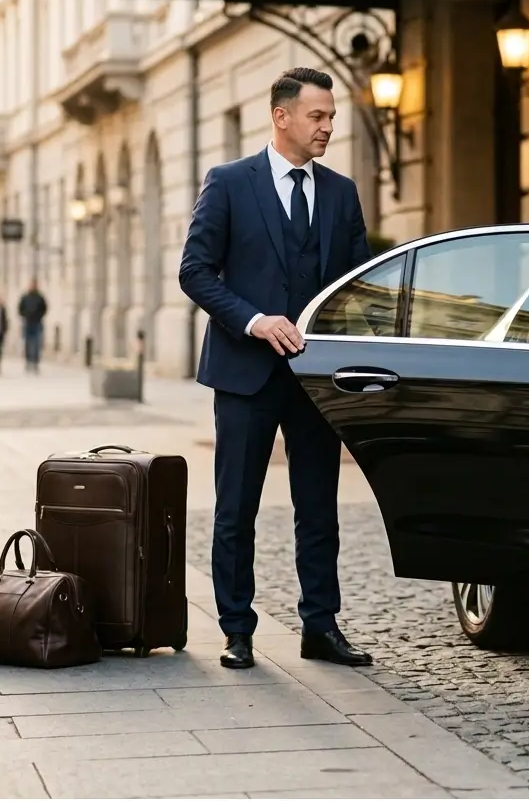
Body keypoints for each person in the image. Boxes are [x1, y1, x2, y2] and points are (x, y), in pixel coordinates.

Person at [179, 67, 373, 670]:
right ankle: (237, 630)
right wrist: (254, 319)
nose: (327, 128)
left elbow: (357, 288)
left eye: (332, 117)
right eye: (317, 116)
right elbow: (195, 271)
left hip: (315, 381)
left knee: (319, 509)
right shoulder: (230, 183)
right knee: (236, 508)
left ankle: (321, 626)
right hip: (245, 374)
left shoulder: (341, 192)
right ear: (281, 116)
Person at [17, 279, 48, 373]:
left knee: (37, 343)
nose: (33, 286)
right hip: (27, 322)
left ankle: (35, 362)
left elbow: (44, 308)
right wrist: (25, 315)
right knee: (27, 343)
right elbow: (20, 308)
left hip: (37, 322)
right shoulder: (25, 297)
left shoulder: (40, 297)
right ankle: (28, 361)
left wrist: (39, 315)